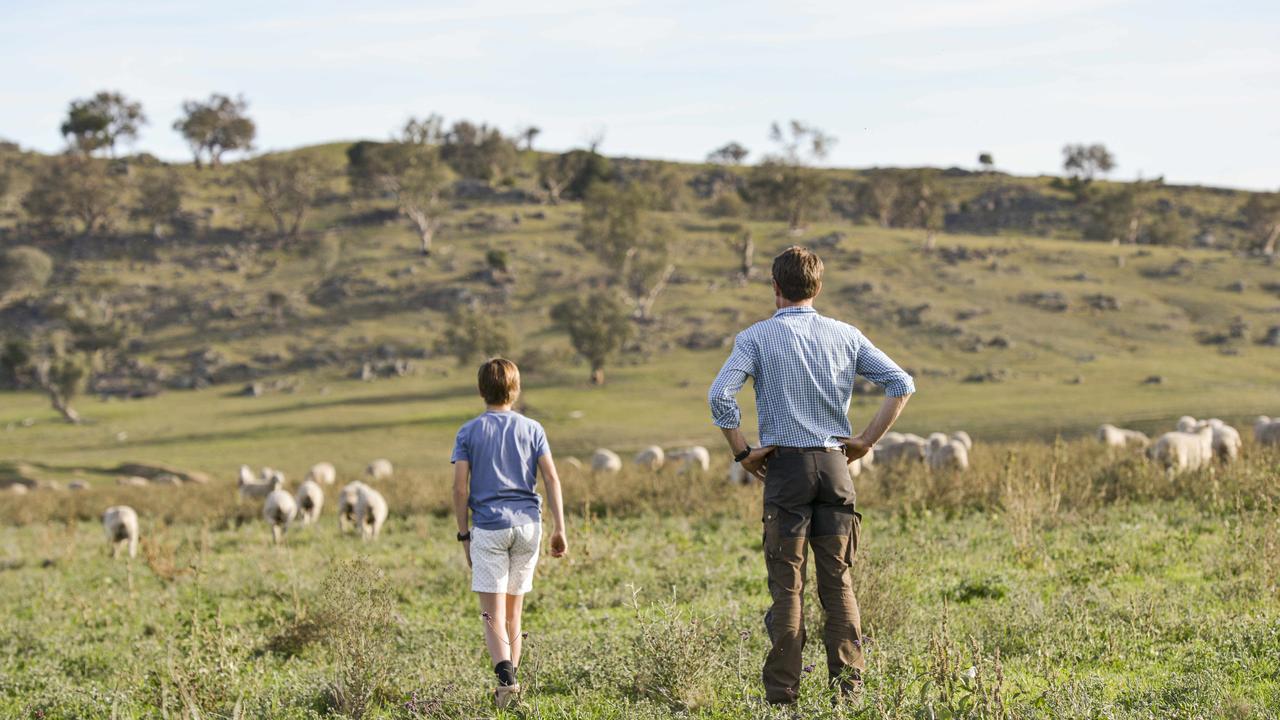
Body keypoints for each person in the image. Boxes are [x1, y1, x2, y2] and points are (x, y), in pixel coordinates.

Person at [708, 245, 915, 706]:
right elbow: (901, 383)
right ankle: (848, 696)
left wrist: (743, 453)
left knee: (788, 585)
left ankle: (784, 700)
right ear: (818, 287)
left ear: (776, 287)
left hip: (786, 469)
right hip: (836, 465)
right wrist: (866, 441)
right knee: (838, 581)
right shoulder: (845, 334)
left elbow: (721, 397)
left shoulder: (755, 338)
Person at [452, 357, 568, 709]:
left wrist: (463, 535)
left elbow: (459, 489)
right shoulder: (533, 429)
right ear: (515, 390)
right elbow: (551, 478)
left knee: (491, 615)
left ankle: (507, 683)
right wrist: (560, 527)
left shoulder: (468, 432)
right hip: (529, 526)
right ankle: (510, 690)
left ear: (480, 390)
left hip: (489, 528)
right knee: (513, 615)